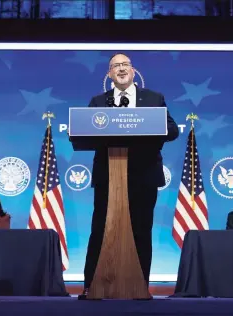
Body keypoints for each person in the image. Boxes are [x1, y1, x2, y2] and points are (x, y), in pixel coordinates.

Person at [80, 53, 179, 298]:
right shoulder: (98, 102)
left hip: (143, 176)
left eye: (125, 65)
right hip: (109, 176)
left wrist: (147, 127)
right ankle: (92, 286)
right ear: (109, 74)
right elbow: (84, 130)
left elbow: (173, 130)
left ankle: (139, 287)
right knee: (101, 229)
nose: (121, 69)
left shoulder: (154, 99)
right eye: (116, 66)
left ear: (133, 71)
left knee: (141, 231)